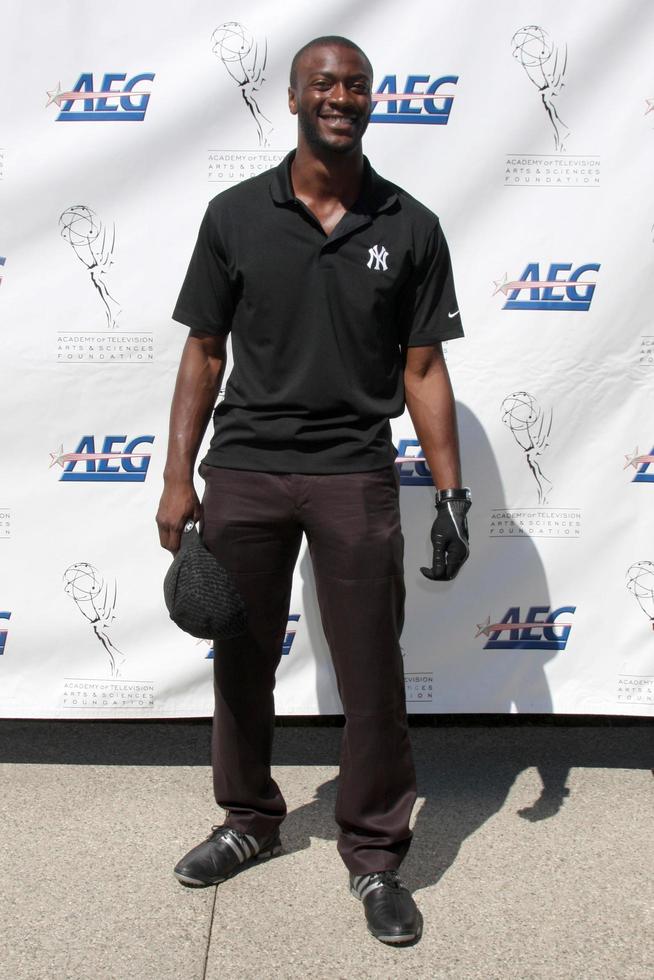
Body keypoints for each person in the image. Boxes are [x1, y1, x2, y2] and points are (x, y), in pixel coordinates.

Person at [156, 35, 470, 946]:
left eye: (356, 85)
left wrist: (451, 494)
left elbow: (422, 368)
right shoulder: (234, 215)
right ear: (291, 98)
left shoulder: (408, 224)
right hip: (245, 468)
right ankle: (250, 820)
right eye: (323, 84)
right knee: (241, 658)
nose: (341, 96)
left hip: (355, 473)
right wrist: (178, 476)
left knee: (372, 672)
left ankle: (374, 855)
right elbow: (203, 351)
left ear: (372, 103)